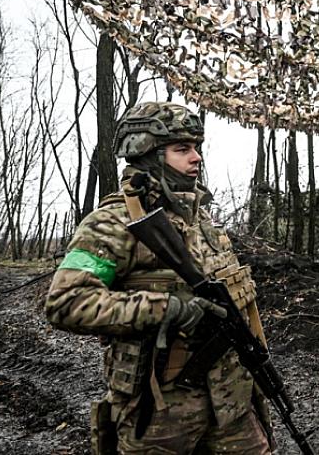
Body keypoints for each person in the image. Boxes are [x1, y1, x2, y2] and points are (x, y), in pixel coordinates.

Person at [46, 102, 272, 454]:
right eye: (182, 149)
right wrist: (165, 308)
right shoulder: (112, 223)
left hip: (232, 406)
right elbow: (66, 302)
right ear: (147, 154)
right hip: (159, 414)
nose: (196, 158)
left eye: (196, 147)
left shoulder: (203, 221)